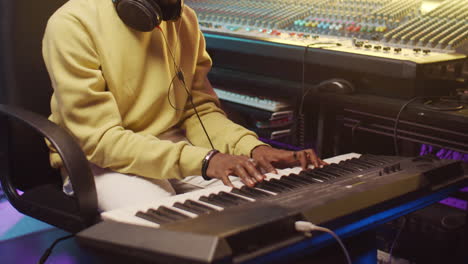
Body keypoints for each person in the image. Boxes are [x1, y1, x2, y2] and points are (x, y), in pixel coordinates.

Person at [42, 0, 326, 211]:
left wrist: (254, 149)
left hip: (175, 151)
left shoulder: (183, 19)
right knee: (171, 229)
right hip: (103, 163)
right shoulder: (72, 24)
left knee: (266, 202)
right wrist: (204, 161)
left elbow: (199, 111)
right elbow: (98, 140)